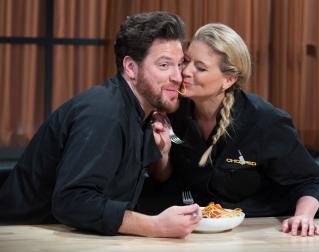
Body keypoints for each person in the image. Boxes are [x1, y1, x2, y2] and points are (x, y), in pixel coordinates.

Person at [0, 12, 202, 238]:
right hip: (22, 236)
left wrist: (164, 152)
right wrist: (155, 226)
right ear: (131, 68)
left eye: (179, 63)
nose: (178, 76)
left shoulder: (146, 113)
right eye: (164, 65)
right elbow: (71, 202)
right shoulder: (105, 113)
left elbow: (153, 182)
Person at [147, 23, 319, 237]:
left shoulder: (265, 121)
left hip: (261, 231)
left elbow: (309, 180)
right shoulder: (171, 111)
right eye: (186, 60)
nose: (185, 71)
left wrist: (303, 217)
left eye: (200, 67)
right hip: (195, 232)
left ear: (228, 79)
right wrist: (164, 153)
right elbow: (162, 177)